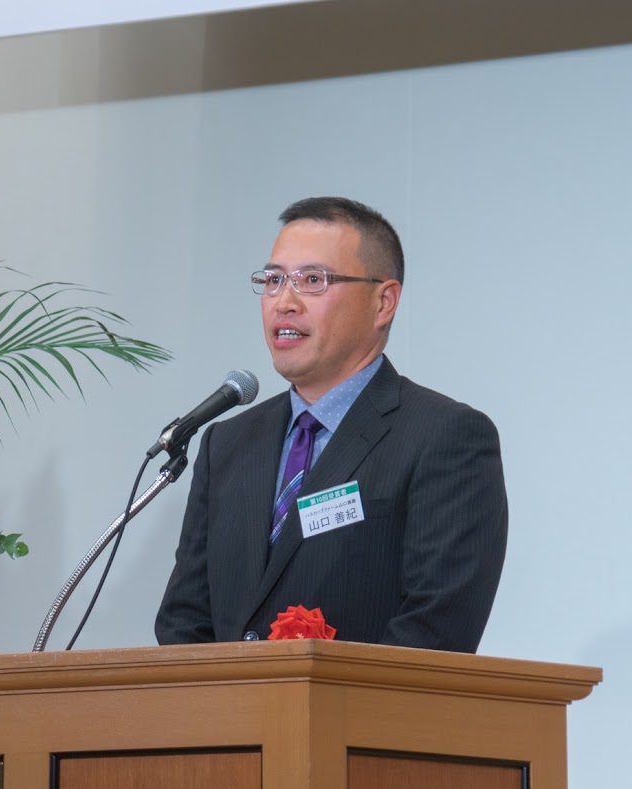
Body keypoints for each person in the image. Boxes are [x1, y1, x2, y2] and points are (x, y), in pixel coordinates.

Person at [154, 197, 507, 653]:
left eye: (313, 280)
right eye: (274, 279)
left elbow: (437, 626)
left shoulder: (445, 437)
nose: (284, 301)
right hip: (228, 722)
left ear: (384, 302)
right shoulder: (228, 442)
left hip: (362, 721)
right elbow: (185, 619)